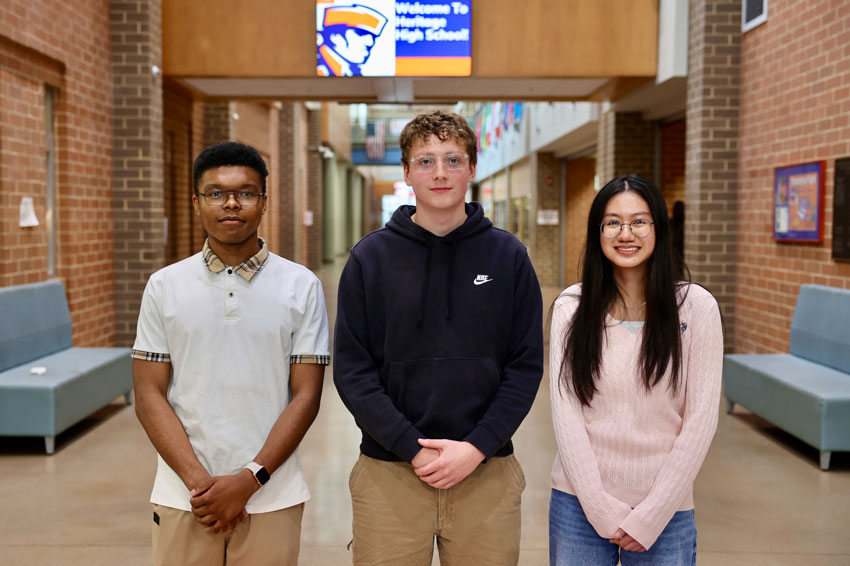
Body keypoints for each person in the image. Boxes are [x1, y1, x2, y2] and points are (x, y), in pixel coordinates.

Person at [334, 110, 543, 565]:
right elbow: (353, 371)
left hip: (486, 470)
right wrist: (410, 447)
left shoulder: (509, 257)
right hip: (388, 472)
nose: (441, 172)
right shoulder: (370, 259)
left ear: (472, 167)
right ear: (406, 172)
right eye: (425, 161)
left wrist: (477, 446)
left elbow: (525, 366)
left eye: (452, 159)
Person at [132, 141, 330, 566]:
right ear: (197, 202)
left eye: (245, 192)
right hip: (185, 497)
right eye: (216, 193)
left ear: (263, 202)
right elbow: (148, 394)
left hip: (272, 494)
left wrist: (248, 480)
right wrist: (201, 485)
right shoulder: (164, 286)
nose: (231, 204)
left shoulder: (301, 285)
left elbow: (307, 396)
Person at [548, 174, 723, 565]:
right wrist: (598, 507)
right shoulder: (571, 307)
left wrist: (653, 513)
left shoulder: (696, 307)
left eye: (640, 221)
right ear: (598, 232)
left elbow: (700, 421)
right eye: (613, 222)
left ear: (659, 228)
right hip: (578, 505)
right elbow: (566, 415)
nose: (626, 233)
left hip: (666, 509)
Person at [316, 4, 387, 76]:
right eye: (361, 34)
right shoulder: (322, 70)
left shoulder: (352, 71)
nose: (370, 43)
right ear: (335, 36)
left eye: (373, 37)